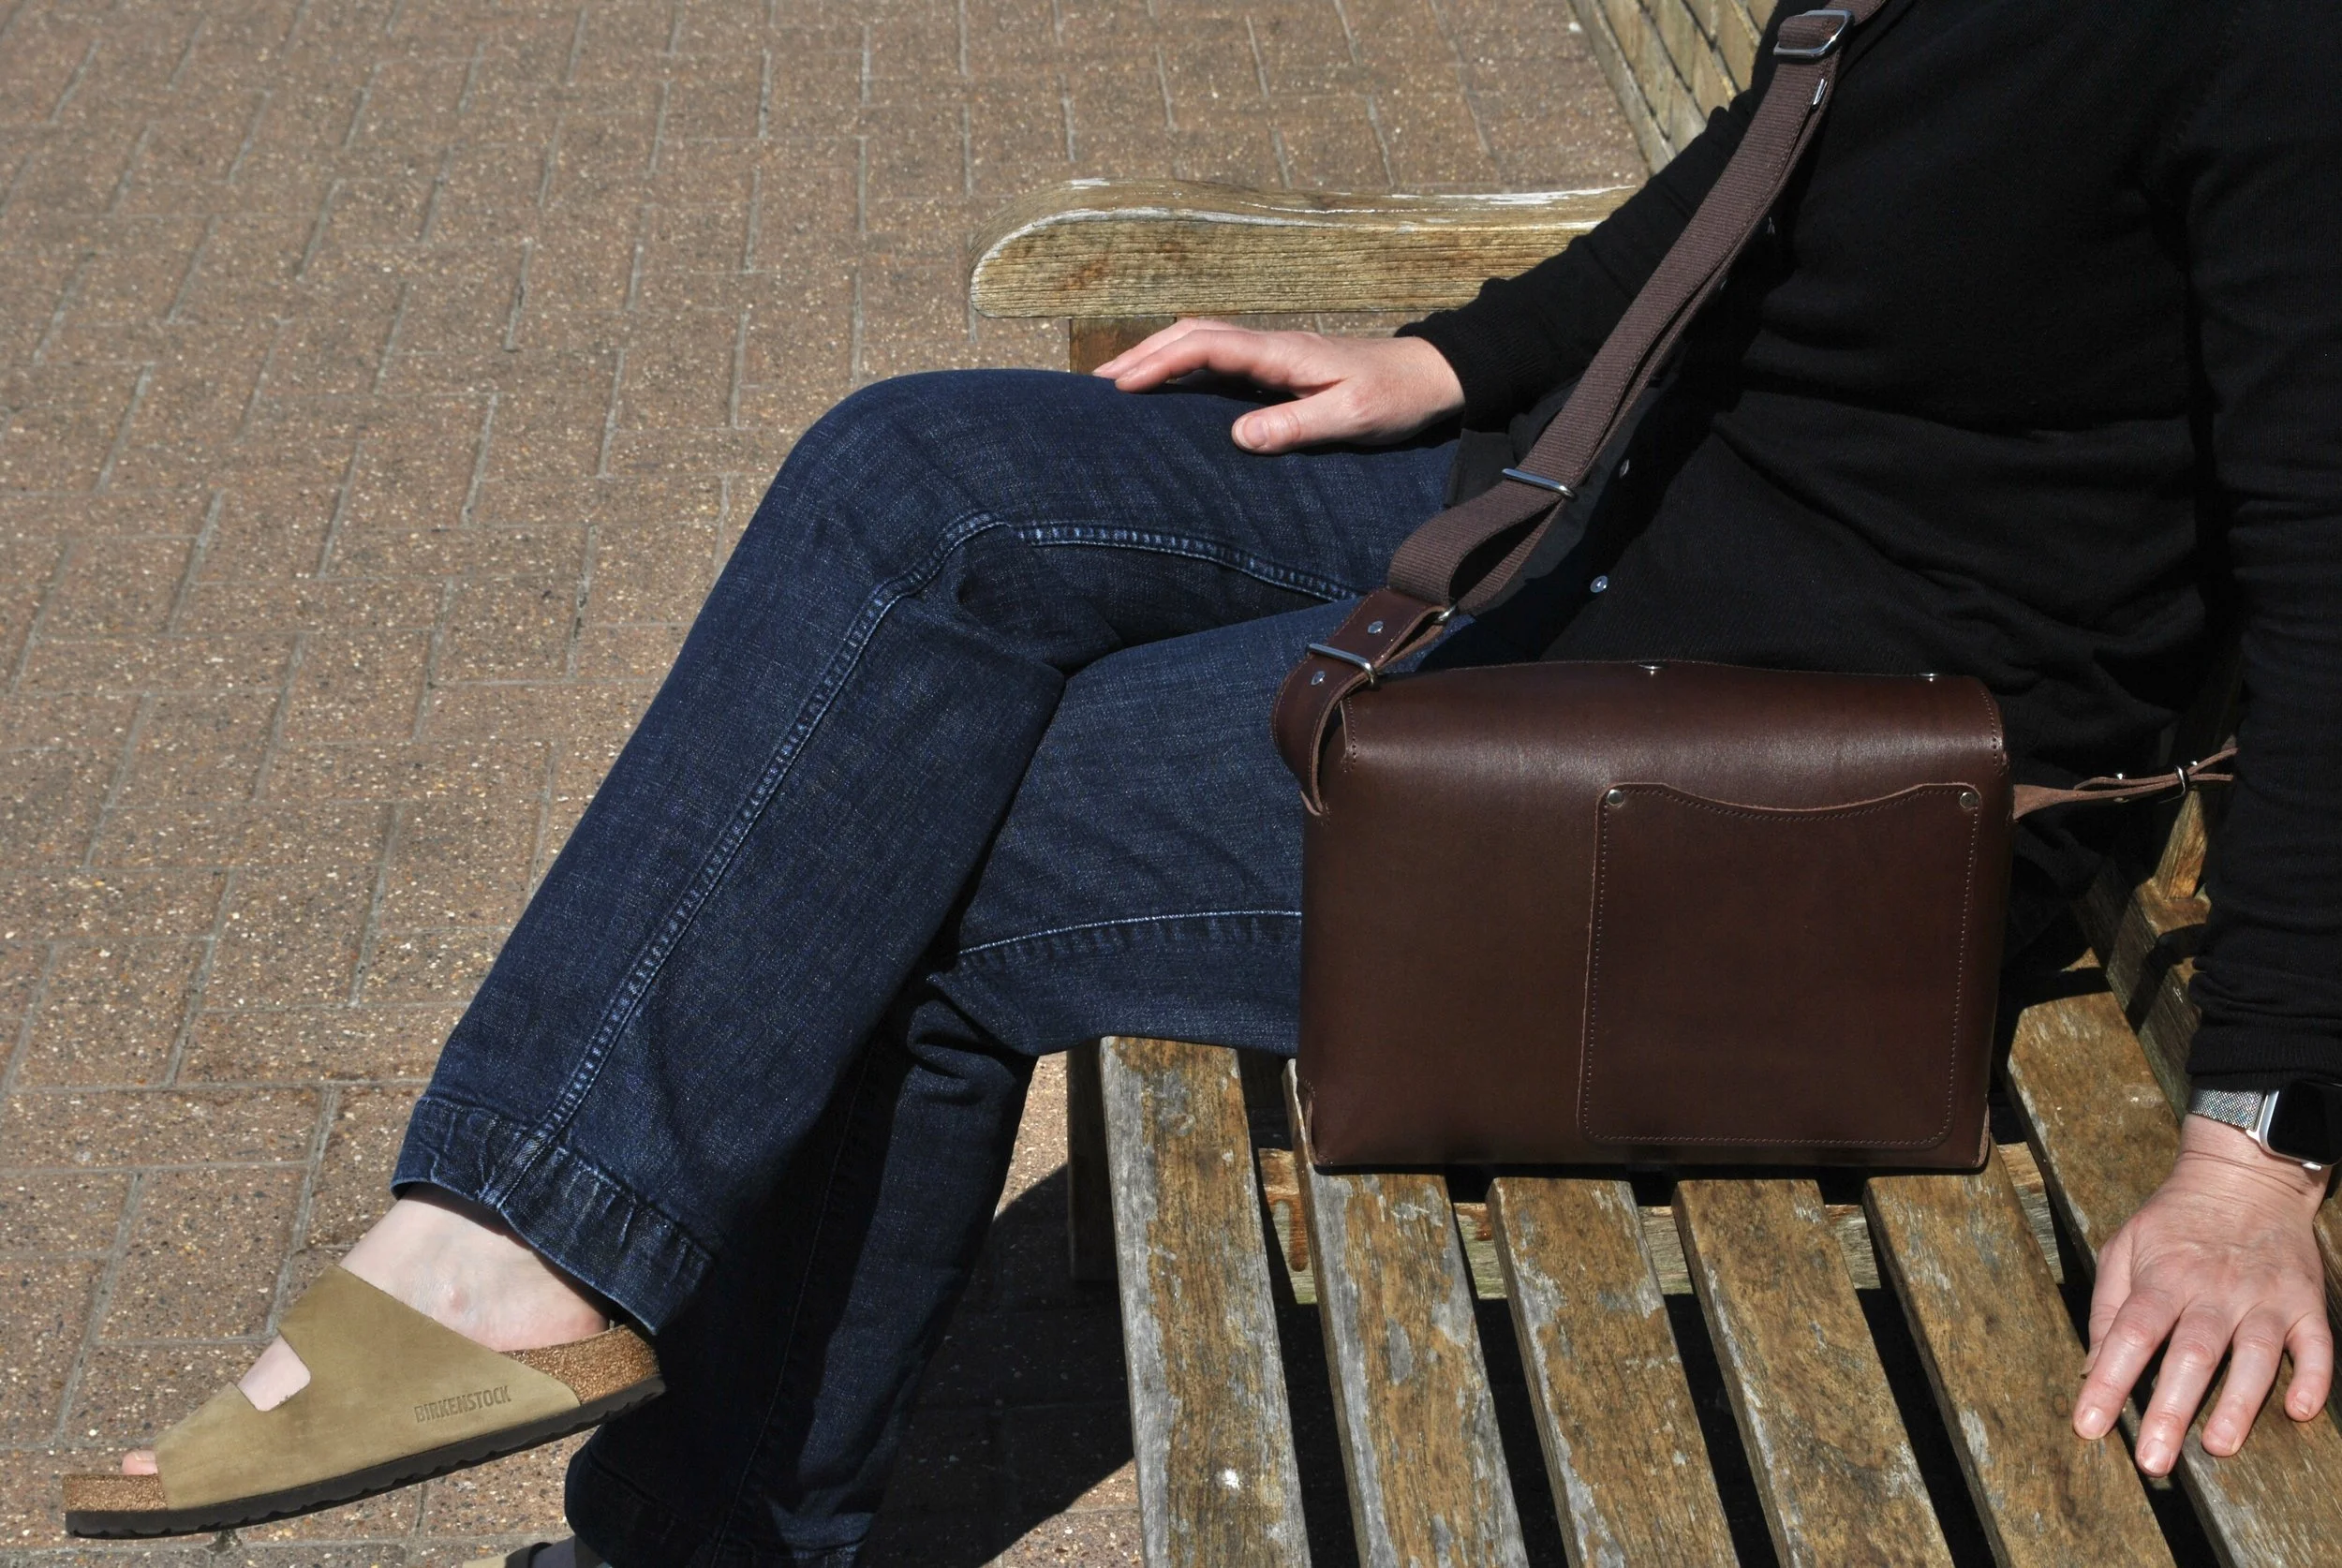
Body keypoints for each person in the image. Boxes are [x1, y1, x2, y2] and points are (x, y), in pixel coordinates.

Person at [69, 0, 2341, 1559]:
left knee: (926, 854)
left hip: (1811, 783)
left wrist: (2256, 1146)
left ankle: (709, 1538)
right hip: (1617, 509)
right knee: (918, 478)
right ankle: (517, 1223)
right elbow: (1766, 180)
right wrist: (1445, 352)